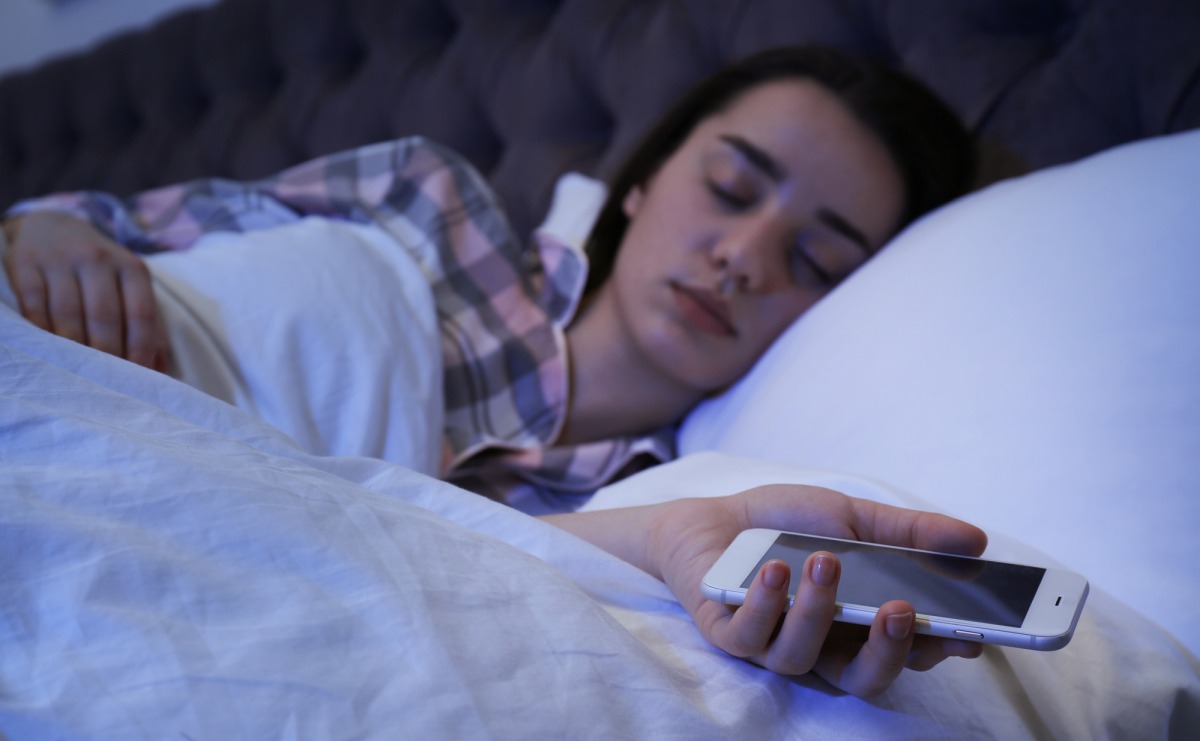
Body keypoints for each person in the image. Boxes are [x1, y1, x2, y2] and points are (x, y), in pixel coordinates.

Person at [1, 46, 982, 696]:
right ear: (642, 181)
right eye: (729, 186)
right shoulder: (427, 205)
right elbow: (119, 229)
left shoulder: (667, 503)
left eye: (817, 260)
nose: (745, 255)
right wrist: (44, 227)